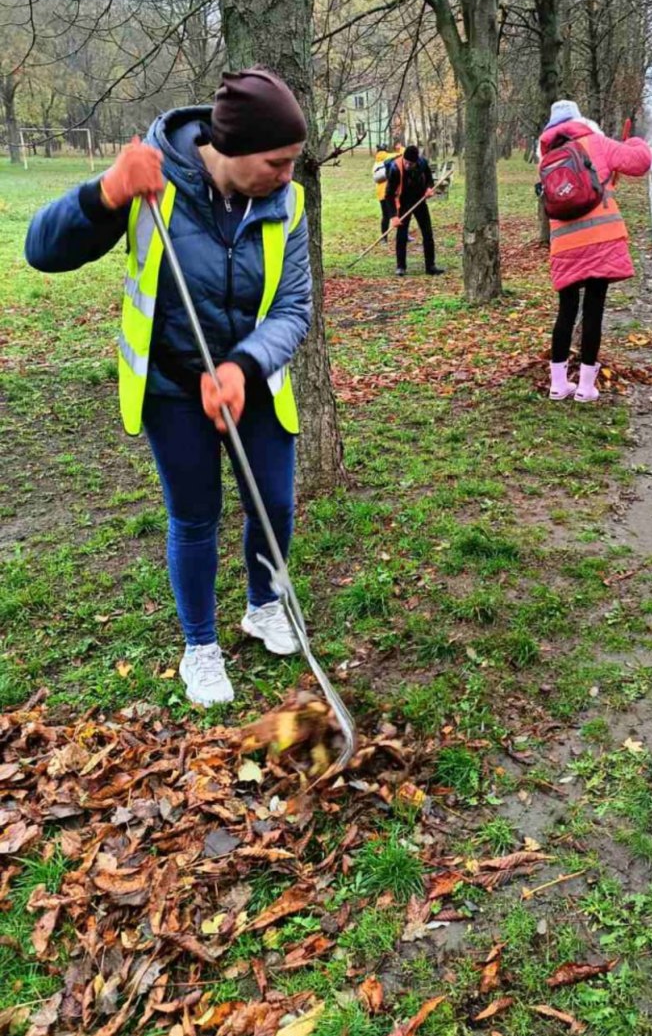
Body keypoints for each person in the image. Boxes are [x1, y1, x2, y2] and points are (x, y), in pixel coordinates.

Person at [24, 68, 313, 708]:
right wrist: (105, 192)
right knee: (195, 514)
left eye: (293, 160)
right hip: (172, 387)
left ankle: (264, 605)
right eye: (277, 162)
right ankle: (199, 646)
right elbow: (40, 251)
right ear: (233, 148)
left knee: (275, 502)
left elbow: (294, 307)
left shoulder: (286, 204)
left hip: (253, 382)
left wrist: (241, 367)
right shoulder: (151, 187)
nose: (288, 175)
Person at [538, 101, 652, 403]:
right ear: (578, 121)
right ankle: (586, 387)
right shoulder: (596, 143)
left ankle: (558, 384)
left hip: (564, 245)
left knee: (566, 311)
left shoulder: (546, 159)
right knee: (593, 310)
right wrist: (634, 141)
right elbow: (640, 162)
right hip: (601, 240)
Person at [385, 144, 445, 276]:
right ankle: (401, 267)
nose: (407, 165)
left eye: (411, 164)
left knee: (427, 233)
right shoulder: (395, 168)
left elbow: (429, 178)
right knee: (402, 234)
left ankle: (430, 266)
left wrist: (429, 188)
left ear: (416, 161)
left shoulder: (422, 163)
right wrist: (393, 216)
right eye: (406, 162)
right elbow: (388, 195)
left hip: (419, 200)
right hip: (403, 202)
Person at [373, 139, 404, 242]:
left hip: (381, 193)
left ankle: (384, 238)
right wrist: (400, 148)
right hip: (391, 192)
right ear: (386, 150)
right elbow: (403, 155)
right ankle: (403, 235)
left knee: (385, 216)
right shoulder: (389, 157)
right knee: (399, 214)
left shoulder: (376, 162)